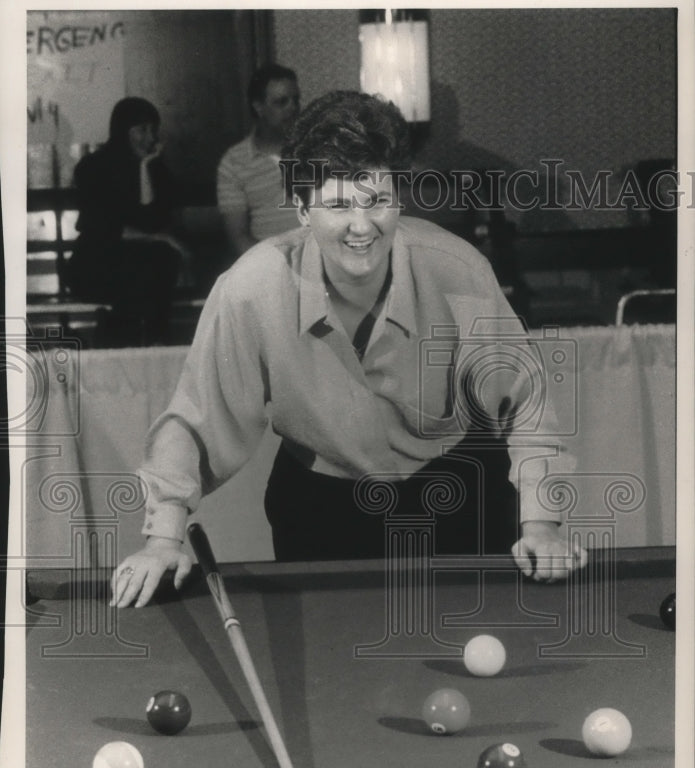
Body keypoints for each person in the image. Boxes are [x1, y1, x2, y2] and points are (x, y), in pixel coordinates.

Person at [111, 90, 587, 609]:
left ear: (398, 197)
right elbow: (198, 423)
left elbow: (526, 401)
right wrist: (163, 541)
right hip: (324, 506)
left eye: (377, 200)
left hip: (460, 490)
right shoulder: (251, 288)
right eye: (337, 205)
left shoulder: (459, 270)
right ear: (300, 208)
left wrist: (540, 524)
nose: (362, 226)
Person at [68, 97, 182, 344]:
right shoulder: (92, 167)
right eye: (142, 130)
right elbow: (102, 229)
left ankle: (146, 343)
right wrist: (155, 236)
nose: (150, 138)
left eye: (153, 130)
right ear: (123, 131)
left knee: (156, 260)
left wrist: (144, 169)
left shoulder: (156, 170)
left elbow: (152, 220)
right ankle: (142, 343)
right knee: (144, 266)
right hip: (96, 263)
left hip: (140, 267)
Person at [216, 64, 300, 259]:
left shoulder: (317, 149)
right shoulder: (234, 163)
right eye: (282, 102)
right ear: (258, 107)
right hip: (269, 266)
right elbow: (238, 237)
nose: (293, 109)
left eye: (296, 100)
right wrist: (279, 265)